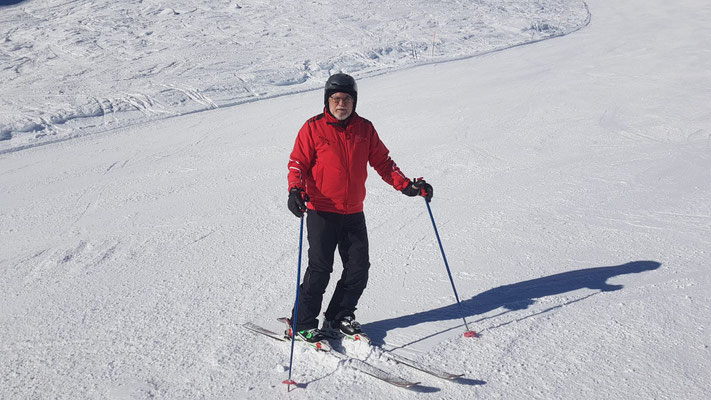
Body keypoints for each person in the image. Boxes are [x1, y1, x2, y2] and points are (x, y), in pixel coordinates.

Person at [286, 73, 433, 343]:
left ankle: (338, 316)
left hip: (353, 211)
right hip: (322, 210)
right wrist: (295, 189)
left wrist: (406, 186)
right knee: (320, 269)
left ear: (354, 102)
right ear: (327, 101)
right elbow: (298, 163)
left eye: (347, 99)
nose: (341, 104)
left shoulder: (364, 129)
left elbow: (383, 163)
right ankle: (302, 323)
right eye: (336, 99)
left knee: (358, 268)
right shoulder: (313, 128)